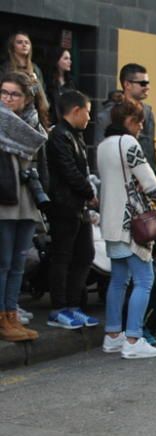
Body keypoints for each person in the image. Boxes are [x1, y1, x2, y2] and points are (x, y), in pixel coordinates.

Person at [96, 99, 156, 359]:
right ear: (129, 121)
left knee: (119, 280)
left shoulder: (102, 146)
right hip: (132, 223)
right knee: (144, 280)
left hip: (111, 221)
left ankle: (113, 335)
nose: (141, 126)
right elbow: (150, 183)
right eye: (138, 120)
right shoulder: (128, 144)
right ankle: (133, 338)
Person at [45, 89, 100, 330]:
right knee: (62, 257)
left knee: (84, 255)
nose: (89, 118)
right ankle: (59, 308)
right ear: (76, 111)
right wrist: (89, 193)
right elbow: (69, 171)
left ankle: (73, 305)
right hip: (64, 206)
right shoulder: (59, 136)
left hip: (79, 207)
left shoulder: (74, 135)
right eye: (87, 112)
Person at [0, 71, 47, 342]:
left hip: (26, 198)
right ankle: (2, 318)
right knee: (3, 263)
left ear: (27, 98)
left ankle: (11, 315)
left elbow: (39, 163)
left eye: (14, 94)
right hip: (4, 200)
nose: (7, 99)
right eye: (3, 93)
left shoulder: (33, 125)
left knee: (18, 263)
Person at [95, 64, 156, 174]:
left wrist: (153, 173)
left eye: (148, 83)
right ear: (127, 84)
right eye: (142, 83)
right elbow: (101, 150)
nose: (147, 87)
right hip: (120, 179)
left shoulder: (148, 112)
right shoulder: (108, 114)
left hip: (145, 180)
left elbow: (150, 147)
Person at [3, 32, 49, 129]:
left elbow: (41, 95)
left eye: (27, 42)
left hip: (34, 113)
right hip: (11, 113)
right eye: (19, 42)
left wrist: (35, 83)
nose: (24, 45)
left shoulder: (35, 69)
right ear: (12, 46)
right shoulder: (6, 68)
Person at [47, 49, 74, 119]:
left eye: (70, 58)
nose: (69, 61)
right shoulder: (49, 81)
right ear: (57, 60)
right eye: (66, 58)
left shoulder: (70, 82)